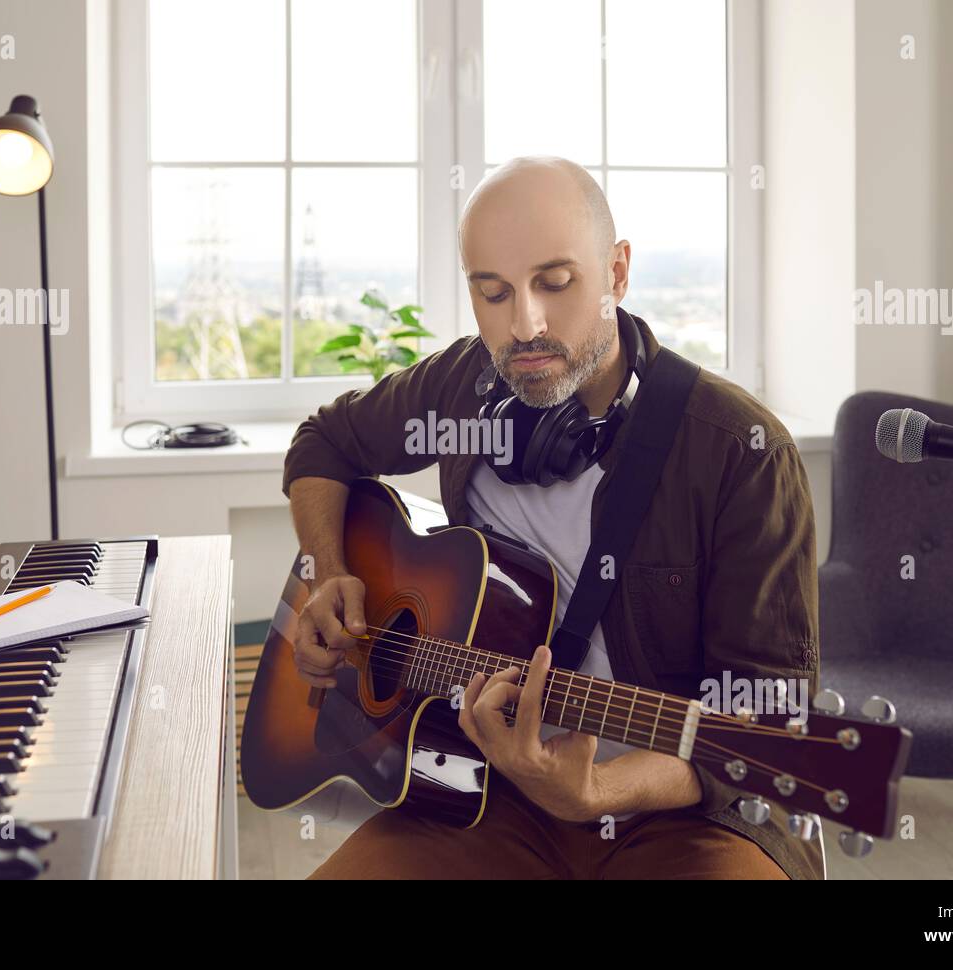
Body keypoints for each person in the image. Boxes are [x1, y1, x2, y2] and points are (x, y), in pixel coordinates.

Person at [282, 156, 822, 879]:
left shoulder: (742, 453)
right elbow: (324, 443)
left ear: (618, 273)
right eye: (493, 292)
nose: (524, 324)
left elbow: (768, 730)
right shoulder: (461, 386)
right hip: (479, 790)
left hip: (681, 814)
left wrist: (596, 789)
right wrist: (329, 570)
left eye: (556, 283)